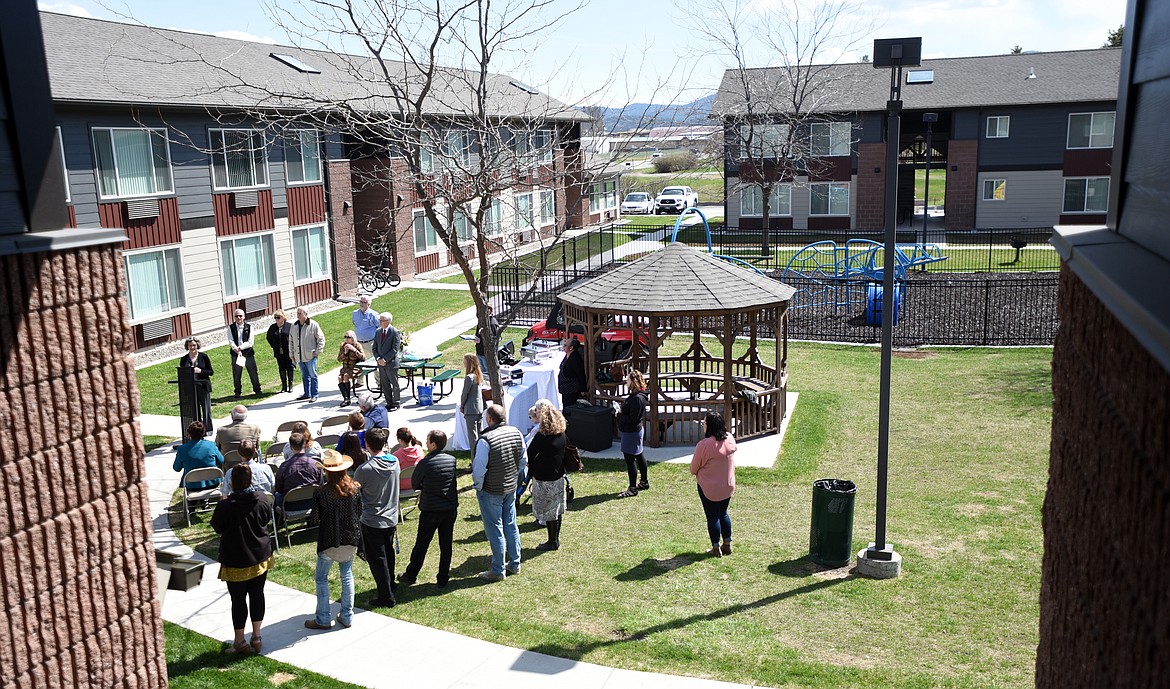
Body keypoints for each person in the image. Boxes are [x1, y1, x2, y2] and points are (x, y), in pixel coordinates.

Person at [210, 463, 274, 655]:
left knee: (238, 600)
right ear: (250, 481)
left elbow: (217, 527)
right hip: (259, 558)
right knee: (257, 595)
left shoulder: (225, 506)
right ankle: (256, 636)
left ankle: (240, 642)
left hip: (235, 559)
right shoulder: (262, 499)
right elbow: (266, 519)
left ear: (231, 483)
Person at [304, 450, 362, 630]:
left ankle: (323, 618)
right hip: (350, 539)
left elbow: (314, 519)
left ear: (327, 471)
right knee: (347, 576)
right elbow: (359, 512)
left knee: (321, 578)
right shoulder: (355, 488)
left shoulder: (321, 492)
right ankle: (347, 616)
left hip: (329, 540)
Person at [472, 403, 526, 581]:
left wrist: (478, 485)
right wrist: (513, 476)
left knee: (495, 529)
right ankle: (515, 563)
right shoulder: (516, 432)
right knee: (510, 525)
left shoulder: (485, 440)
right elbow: (522, 461)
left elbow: (479, 469)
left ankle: (497, 569)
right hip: (510, 487)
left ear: (488, 419)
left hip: (490, 490)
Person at [398, 429, 458, 588]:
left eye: (427, 440)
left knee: (422, 544)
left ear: (433, 444)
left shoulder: (425, 463)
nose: (425, 443)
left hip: (431, 510)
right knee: (446, 545)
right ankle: (443, 577)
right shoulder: (451, 460)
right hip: (449, 509)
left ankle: (411, 575)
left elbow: (414, 484)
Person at [353, 427, 400, 608]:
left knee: (377, 560)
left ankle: (386, 596)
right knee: (388, 554)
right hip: (391, 518)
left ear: (366, 444)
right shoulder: (394, 461)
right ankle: (390, 585)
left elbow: (355, 494)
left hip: (372, 521)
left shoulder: (364, 470)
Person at [689, 413, 737, 557]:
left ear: (709, 426)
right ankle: (727, 544)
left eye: (704, 424)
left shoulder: (704, 445)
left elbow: (693, 468)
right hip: (727, 486)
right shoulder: (730, 439)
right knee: (723, 514)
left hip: (709, 488)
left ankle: (716, 548)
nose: (703, 426)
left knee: (713, 517)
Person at [527, 401, 568, 551]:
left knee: (549, 512)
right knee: (556, 510)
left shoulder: (542, 437)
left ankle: (552, 541)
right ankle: (555, 539)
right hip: (558, 476)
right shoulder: (561, 434)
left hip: (544, 478)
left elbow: (529, 454)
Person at [617, 369, 650, 498]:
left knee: (630, 459)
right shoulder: (639, 396)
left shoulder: (637, 399)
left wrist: (619, 414)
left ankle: (632, 488)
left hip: (632, 432)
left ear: (633, 382)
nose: (626, 382)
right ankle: (644, 482)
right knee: (639, 454)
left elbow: (632, 418)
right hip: (636, 431)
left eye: (628, 380)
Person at [274, 432, 322, 511]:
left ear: (290, 447)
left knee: (276, 495)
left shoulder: (284, 467)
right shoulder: (315, 464)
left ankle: (280, 521)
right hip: (312, 503)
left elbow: (278, 488)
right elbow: (320, 484)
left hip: (289, 505)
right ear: (304, 444)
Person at [177, 337, 214, 434]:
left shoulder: (204, 357)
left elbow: (211, 372)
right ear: (187, 347)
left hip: (203, 386)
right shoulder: (184, 359)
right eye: (190, 345)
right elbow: (181, 373)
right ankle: (197, 431)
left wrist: (200, 371)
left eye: (194, 345)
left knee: (206, 410)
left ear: (197, 345)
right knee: (194, 410)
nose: (192, 347)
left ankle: (208, 430)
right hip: (191, 388)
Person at [174, 421, 224, 491]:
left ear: (189, 433)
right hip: (212, 483)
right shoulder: (211, 445)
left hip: (192, 485)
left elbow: (176, 468)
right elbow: (221, 460)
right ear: (203, 433)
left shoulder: (182, 449)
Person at [290, 306, 325, 403]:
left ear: (306, 314)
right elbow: (291, 341)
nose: (298, 315)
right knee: (304, 375)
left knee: (313, 375)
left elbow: (321, 339)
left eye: (300, 313)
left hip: (310, 356)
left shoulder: (313, 325)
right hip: (299, 356)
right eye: (297, 313)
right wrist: (291, 354)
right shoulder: (294, 326)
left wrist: (317, 352)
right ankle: (307, 393)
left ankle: (314, 394)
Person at [227, 308, 262, 399]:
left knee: (253, 372)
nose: (238, 317)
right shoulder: (230, 328)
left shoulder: (249, 327)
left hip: (248, 353)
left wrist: (240, 348)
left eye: (240, 316)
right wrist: (236, 349)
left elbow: (250, 342)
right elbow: (231, 340)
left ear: (244, 317)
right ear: (234, 317)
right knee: (237, 374)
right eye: (236, 316)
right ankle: (237, 392)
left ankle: (257, 390)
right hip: (236, 354)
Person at [372, 312, 401, 411]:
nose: (380, 322)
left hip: (391, 363)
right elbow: (374, 348)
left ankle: (396, 403)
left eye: (382, 320)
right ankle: (389, 403)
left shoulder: (395, 332)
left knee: (394, 383)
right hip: (381, 363)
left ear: (388, 321)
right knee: (385, 384)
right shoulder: (378, 332)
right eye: (380, 320)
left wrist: (385, 359)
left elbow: (394, 349)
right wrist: (378, 359)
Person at [266, 310, 296, 394]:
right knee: (281, 368)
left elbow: (294, 338)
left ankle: (290, 385)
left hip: (288, 351)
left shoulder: (289, 326)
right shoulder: (273, 327)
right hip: (278, 352)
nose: (276, 319)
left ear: (283, 317)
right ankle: (284, 386)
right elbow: (269, 337)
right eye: (275, 318)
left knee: (290, 367)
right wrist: (274, 345)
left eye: (278, 317)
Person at [460, 353, 485, 450]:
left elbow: (465, 394)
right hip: (479, 408)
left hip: (470, 410)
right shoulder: (478, 375)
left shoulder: (469, 377)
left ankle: (475, 459)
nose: (463, 362)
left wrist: (462, 406)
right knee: (480, 434)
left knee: (473, 437)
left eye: (464, 360)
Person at [392, 427, 424, 493]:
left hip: (400, 486)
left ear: (400, 440)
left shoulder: (396, 455)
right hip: (417, 483)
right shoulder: (419, 449)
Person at [557, 339, 587, 410]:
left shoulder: (575, 358)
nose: (563, 347)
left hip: (571, 388)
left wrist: (583, 389)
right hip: (565, 388)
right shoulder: (567, 355)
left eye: (565, 345)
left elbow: (580, 373)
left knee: (569, 408)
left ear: (571, 347)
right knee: (565, 406)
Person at [336, 330, 364, 407]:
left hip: (355, 367)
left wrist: (354, 350)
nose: (346, 339)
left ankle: (347, 399)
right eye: (345, 337)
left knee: (345, 376)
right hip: (345, 367)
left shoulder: (357, 345)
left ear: (353, 338)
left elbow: (363, 358)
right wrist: (345, 352)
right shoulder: (343, 346)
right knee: (339, 377)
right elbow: (339, 359)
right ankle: (346, 398)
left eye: (348, 337)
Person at [474, 304, 501, 373]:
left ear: (489, 311)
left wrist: (480, 340)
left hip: (487, 353)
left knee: (489, 372)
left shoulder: (492, 323)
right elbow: (478, 333)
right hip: (480, 351)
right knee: (482, 372)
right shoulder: (481, 321)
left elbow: (495, 339)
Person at [352, 295, 379, 360]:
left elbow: (380, 328)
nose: (361, 304)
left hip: (370, 343)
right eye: (360, 301)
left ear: (368, 304)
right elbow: (354, 323)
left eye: (364, 302)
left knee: (373, 362)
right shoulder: (355, 313)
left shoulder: (374, 315)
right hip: (358, 343)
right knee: (360, 361)